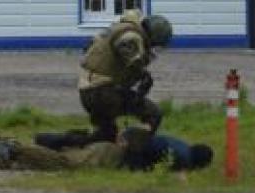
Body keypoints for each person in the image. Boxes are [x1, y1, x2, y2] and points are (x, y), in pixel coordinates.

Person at [42, 10, 173, 151]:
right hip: (103, 93)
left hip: (89, 92)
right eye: (156, 45)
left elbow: (89, 46)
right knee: (153, 114)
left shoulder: (115, 28)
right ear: (153, 36)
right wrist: (141, 72)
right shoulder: (132, 36)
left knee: (105, 136)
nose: (154, 50)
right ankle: (138, 153)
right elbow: (127, 49)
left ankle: (57, 141)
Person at [0, 123, 212, 173]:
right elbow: (139, 149)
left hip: (113, 149)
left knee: (65, 157)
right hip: (112, 154)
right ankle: (10, 148)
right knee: (68, 163)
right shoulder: (182, 157)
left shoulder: (180, 146)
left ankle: (10, 155)